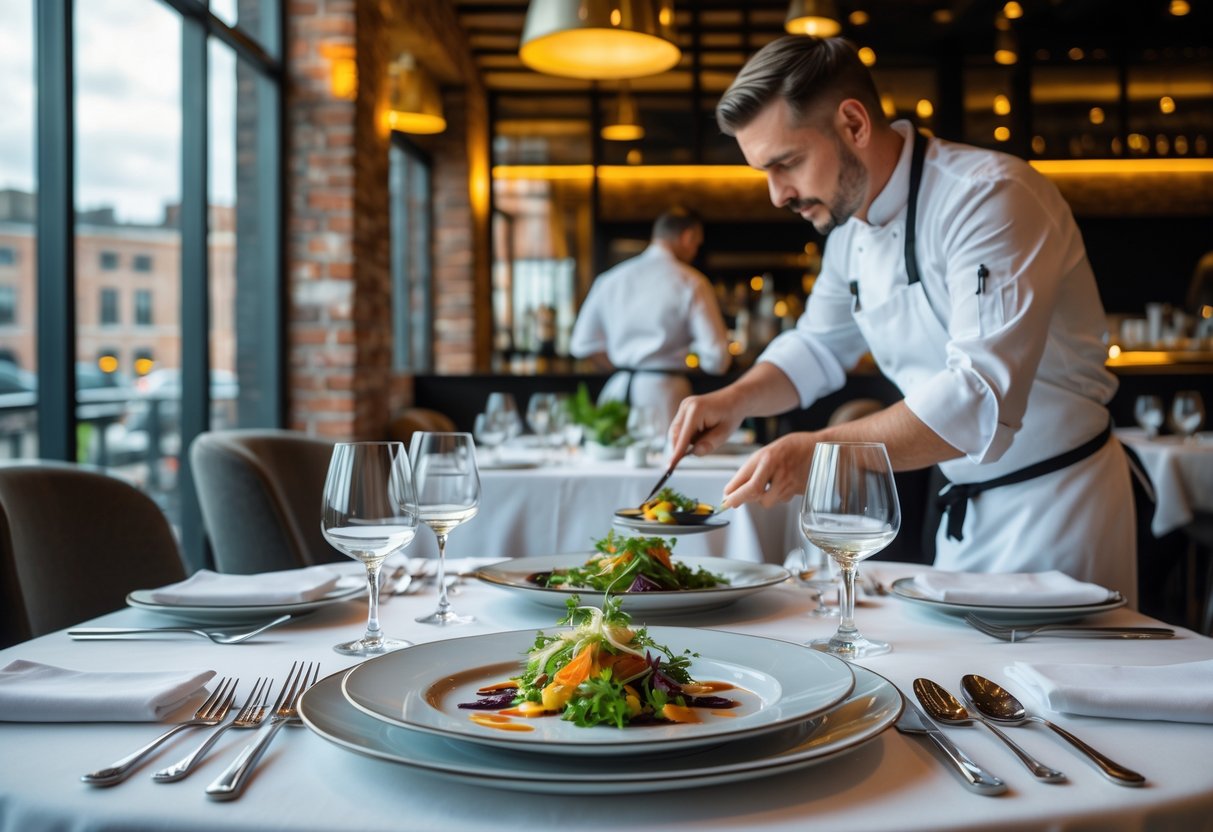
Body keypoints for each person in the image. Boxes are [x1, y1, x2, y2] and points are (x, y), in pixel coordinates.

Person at [667, 36, 1137, 601]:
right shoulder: (849, 237)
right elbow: (815, 348)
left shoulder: (989, 197)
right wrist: (733, 400)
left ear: (854, 124)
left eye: (786, 163)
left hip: (1060, 512)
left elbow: (976, 399)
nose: (775, 195)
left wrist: (822, 451)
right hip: (962, 518)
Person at [570, 207, 731, 433]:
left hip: (616, 391)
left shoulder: (610, 279)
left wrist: (625, 365)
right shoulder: (691, 281)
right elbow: (717, 359)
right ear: (687, 237)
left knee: (612, 463)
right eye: (697, 243)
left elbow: (582, 345)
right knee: (666, 464)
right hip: (666, 395)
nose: (696, 250)